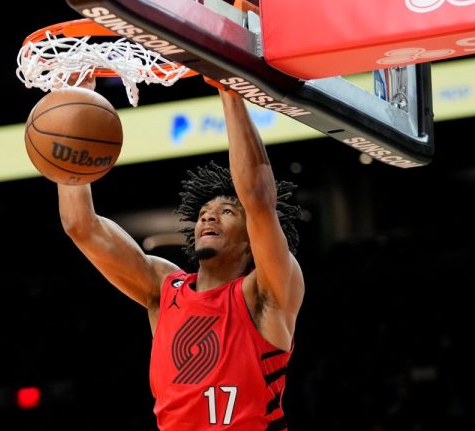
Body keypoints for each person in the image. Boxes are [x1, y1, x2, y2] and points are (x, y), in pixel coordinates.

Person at [57, 75, 304, 430]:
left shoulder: (266, 294)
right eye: (205, 212)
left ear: (252, 239)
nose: (209, 215)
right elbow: (80, 225)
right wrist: (75, 111)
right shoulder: (163, 287)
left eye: (227, 212)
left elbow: (258, 199)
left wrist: (229, 86)